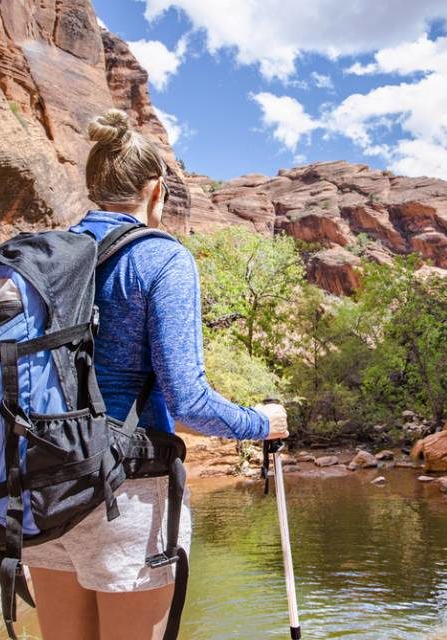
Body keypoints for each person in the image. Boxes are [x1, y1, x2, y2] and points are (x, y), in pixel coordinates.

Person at [20, 109, 289, 639]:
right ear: (155, 190)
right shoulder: (161, 259)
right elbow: (188, 402)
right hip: (128, 492)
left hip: (43, 485)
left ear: (95, 187)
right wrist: (262, 422)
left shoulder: (46, 258)